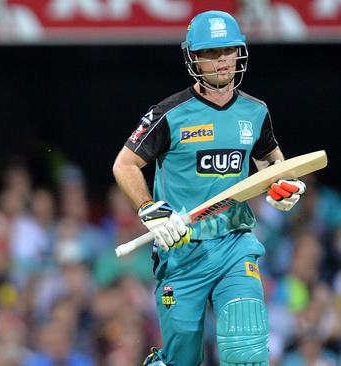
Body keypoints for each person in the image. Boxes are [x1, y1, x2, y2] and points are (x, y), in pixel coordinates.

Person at [112, 10, 307, 366]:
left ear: (239, 54)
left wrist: (285, 189)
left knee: (245, 349)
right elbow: (124, 164)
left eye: (228, 51)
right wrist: (149, 209)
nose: (221, 61)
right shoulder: (169, 113)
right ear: (194, 58)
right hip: (181, 251)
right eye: (210, 54)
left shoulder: (255, 112)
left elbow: (275, 167)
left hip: (235, 243)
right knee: (181, 360)